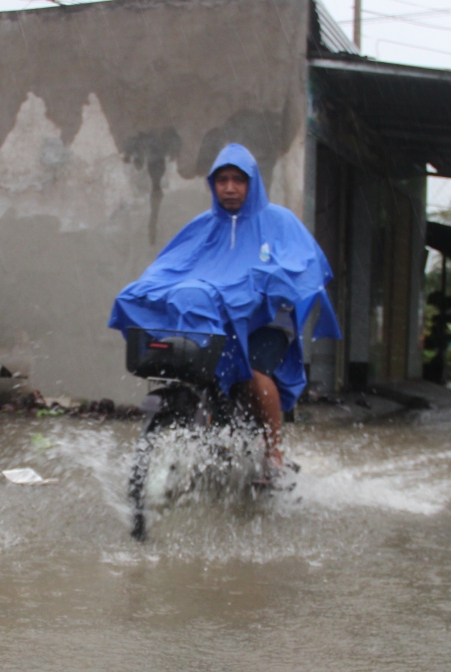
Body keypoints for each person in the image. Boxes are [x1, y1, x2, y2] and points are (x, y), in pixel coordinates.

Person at [108, 144, 341, 475]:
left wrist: (267, 284)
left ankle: (274, 452)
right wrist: (145, 291)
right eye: (222, 180)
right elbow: (171, 267)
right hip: (218, 321)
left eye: (238, 180)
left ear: (252, 183)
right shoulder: (202, 226)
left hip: (266, 321)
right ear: (212, 184)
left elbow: (304, 265)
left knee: (254, 372)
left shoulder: (279, 221)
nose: (230, 188)